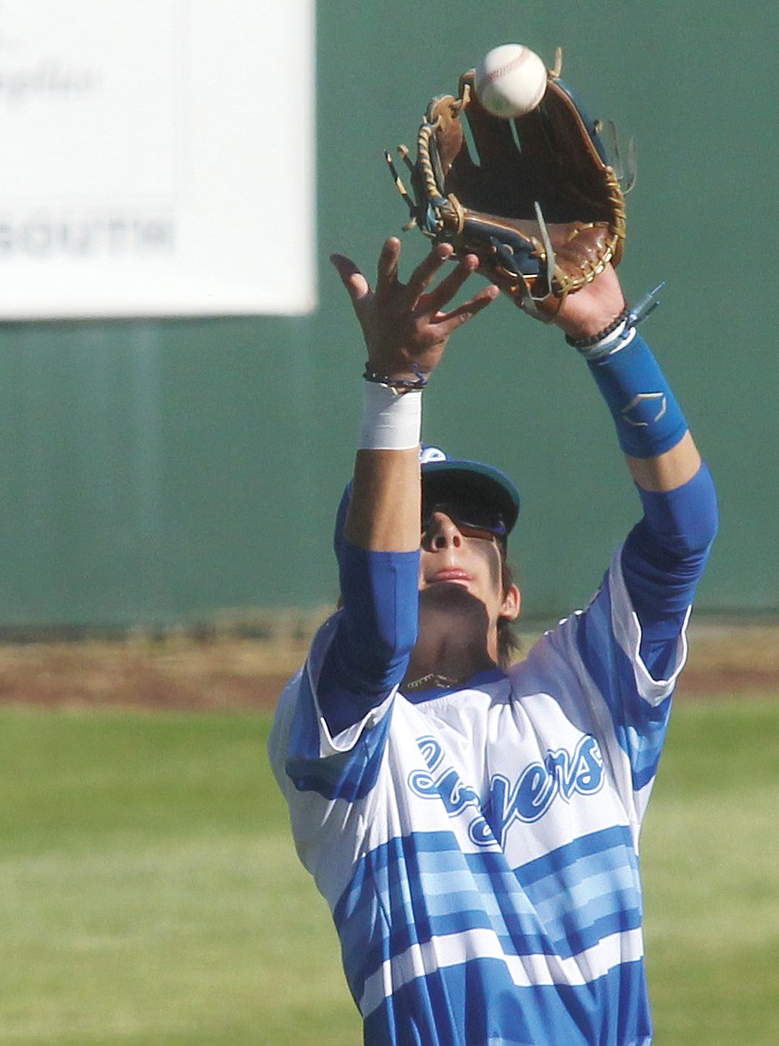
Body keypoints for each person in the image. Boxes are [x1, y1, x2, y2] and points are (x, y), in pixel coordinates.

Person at [268, 235, 718, 1046]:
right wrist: (394, 389)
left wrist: (611, 338)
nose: (440, 530)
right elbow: (378, 636)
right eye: (414, 524)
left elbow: (684, 533)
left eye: (468, 524)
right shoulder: (346, 752)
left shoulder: (585, 690)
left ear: (509, 591)